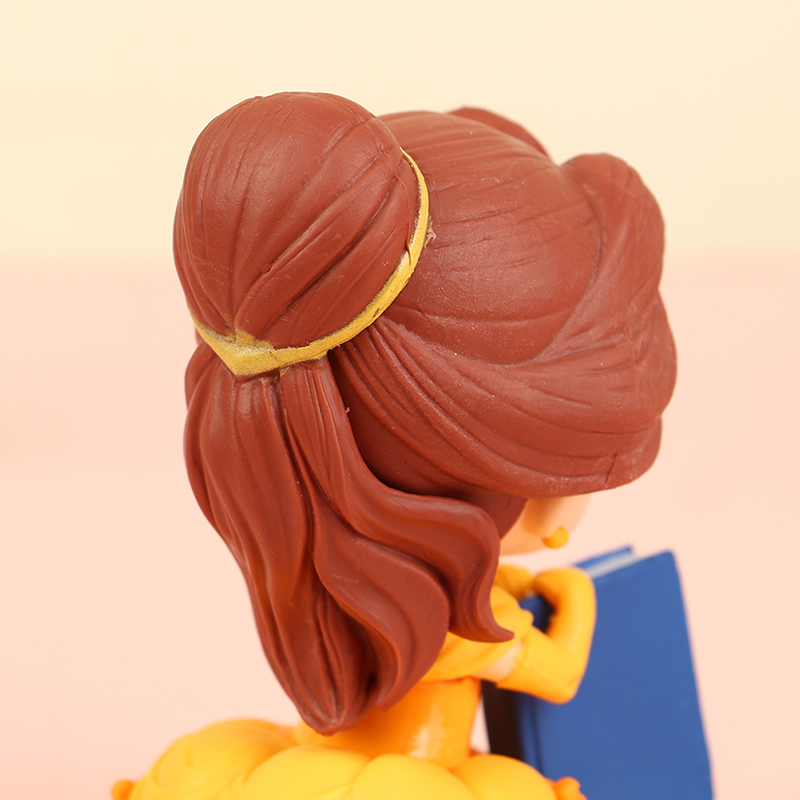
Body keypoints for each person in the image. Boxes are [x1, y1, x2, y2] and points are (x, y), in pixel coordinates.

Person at [114, 92, 676, 800]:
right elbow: (559, 675)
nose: (565, 517)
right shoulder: (452, 626)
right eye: (560, 477)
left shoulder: (364, 587)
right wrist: (578, 597)